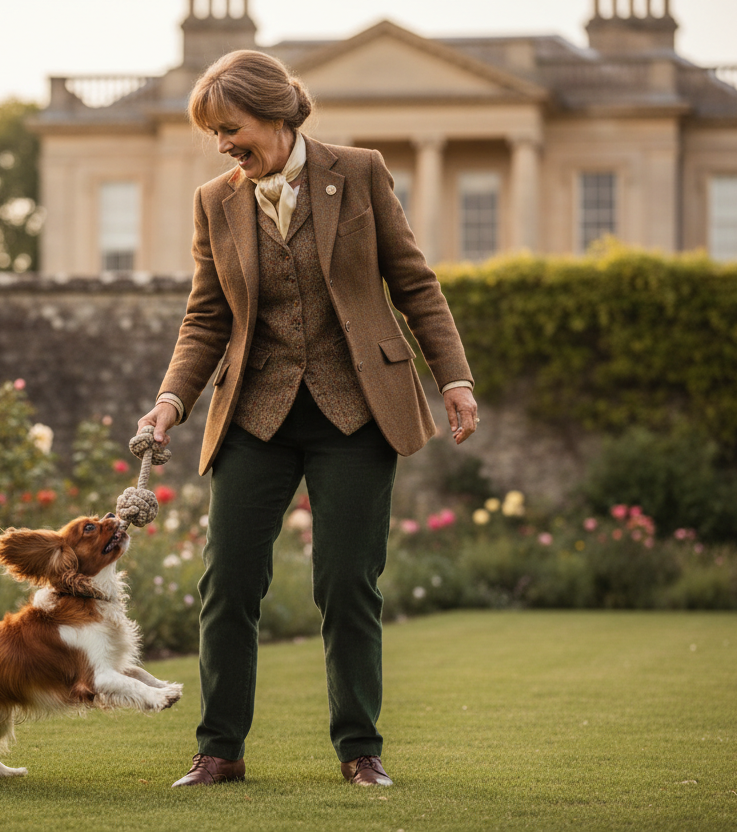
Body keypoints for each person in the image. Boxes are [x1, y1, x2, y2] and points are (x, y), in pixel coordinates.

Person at [137, 49, 478, 789]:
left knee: (347, 582)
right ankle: (219, 750)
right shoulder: (214, 200)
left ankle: (360, 750)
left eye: (231, 128)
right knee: (227, 582)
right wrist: (171, 400)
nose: (224, 145)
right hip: (254, 415)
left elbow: (414, 283)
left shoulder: (358, 172)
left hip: (356, 413)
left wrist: (453, 377)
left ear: (275, 113)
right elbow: (205, 318)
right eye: (215, 135)